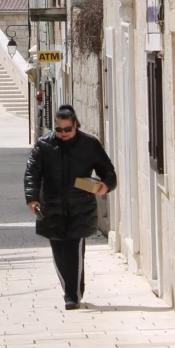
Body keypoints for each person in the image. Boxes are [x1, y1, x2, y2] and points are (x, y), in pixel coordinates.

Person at [24, 105, 116, 310]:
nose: (63, 133)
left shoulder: (89, 144)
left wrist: (104, 186)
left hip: (80, 206)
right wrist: (32, 199)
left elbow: (108, 171)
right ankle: (71, 289)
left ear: (76, 125)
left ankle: (72, 295)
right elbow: (32, 173)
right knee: (58, 250)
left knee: (74, 248)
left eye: (68, 129)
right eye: (59, 129)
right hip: (51, 206)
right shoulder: (44, 145)